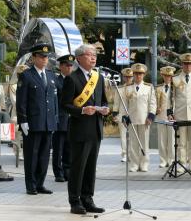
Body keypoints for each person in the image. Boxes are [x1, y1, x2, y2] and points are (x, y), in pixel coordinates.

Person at [61, 44, 109, 215]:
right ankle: (75, 201)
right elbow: (65, 105)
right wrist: (81, 110)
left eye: (95, 55)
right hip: (80, 130)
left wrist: (105, 109)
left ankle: (88, 199)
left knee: (90, 167)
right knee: (78, 167)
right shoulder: (72, 78)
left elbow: (103, 100)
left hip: (95, 128)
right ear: (79, 58)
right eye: (89, 55)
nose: (93, 58)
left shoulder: (98, 77)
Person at [16, 43, 58, 195]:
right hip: (33, 123)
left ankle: (40, 183)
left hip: (48, 123)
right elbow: (21, 101)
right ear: (33, 57)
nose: (44, 59)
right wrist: (23, 120)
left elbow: (54, 101)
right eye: (41, 56)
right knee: (31, 156)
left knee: (44, 156)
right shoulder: (26, 76)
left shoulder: (51, 75)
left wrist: (55, 119)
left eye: (46, 57)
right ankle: (31, 185)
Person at [168, 53, 191, 173]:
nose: (188, 66)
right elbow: (171, 97)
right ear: (182, 64)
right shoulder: (175, 78)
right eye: (185, 64)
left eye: (190, 64)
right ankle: (182, 163)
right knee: (181, 141)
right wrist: (170, 112)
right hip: (180, 113)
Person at [123, 63, 156, 172]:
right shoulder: (128, 88)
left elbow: (152, 103)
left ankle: (144, 163)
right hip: (132, 119)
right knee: (133, 143)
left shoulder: (149, 87)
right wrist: (124, 117)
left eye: (140, 74)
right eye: (136, 74)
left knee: (144, 142)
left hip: (144, 119)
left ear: (144, 75)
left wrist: (151, 116)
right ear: (133, 74)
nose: (138, 76)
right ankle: (134, 164)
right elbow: (125, 104)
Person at [52, 54, 74, 182]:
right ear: (61, 66)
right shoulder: (56, 81)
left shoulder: (74, 80)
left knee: (69, 148)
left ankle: (68, 171)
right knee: (58, 148)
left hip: (72, 120)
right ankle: (58, 172)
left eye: (71, 65)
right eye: (67, 65)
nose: (69, 67)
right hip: (60, 119)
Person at [112, 68, 133, 162]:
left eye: (130, 77)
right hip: (122, 115)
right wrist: (115, 114)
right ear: (124, 78)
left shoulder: (136, 88)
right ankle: (125, 154)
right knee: (123, 136)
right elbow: (116, 103)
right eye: (126, 77)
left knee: (133, 136)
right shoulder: (119, 89)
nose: (128, 78)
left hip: (134, 115)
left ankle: (133, 154)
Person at [155, 66, 175, 168]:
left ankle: (171, 159)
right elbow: (153, 102)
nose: (168, 78)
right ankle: (163, 160)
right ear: (162, 75)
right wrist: (155, 110)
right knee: (162, 139)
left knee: (172, 139)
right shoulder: (158, 88)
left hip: (172, 117)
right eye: (166, 76)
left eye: (170, 76)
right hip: (161, 116)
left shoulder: (175, 88)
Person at [9, 65, 29, 161]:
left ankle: (26, 152)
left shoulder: (30, 83)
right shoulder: (13, 86)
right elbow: (15, 101)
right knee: (16, 134)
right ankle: (18, 152)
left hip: (29, 113)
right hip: (16, 113)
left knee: (28, 134)